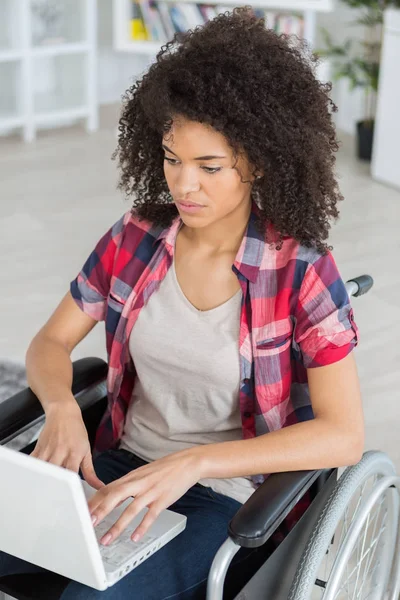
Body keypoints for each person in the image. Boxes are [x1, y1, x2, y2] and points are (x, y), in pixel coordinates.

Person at [0, 7, 364, 599]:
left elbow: (343, 435)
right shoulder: (136, 237)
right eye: (172, 159)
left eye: (209, 166)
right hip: (119, 466)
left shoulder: (300, 270)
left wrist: (193, 464)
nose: (183, 184)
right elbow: (51, 342)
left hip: (224, 499)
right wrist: (62, 405)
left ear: (261, 160)